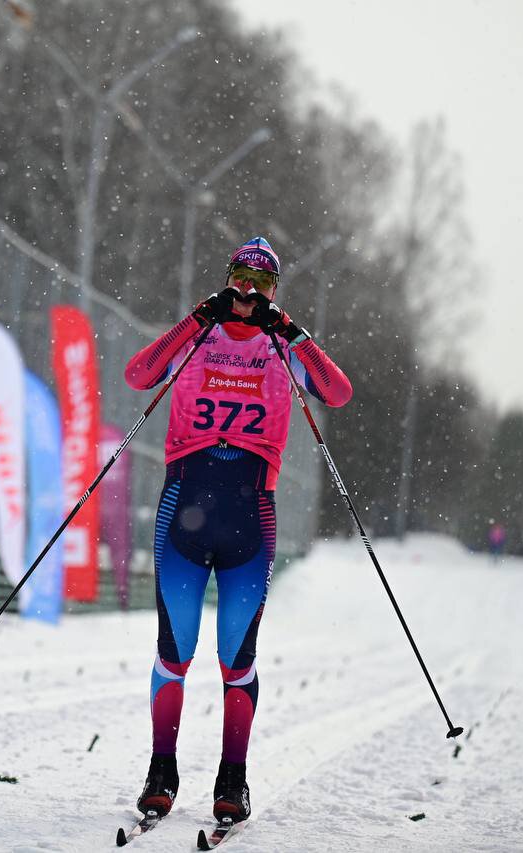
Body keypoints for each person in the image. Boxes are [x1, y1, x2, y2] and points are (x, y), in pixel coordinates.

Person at [123, 237, 352, 824]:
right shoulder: (200, 336)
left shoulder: (282, 346)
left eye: (262, 284)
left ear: (275, 293)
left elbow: (337, 392)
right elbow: (139, 374)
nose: (248, 292)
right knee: (174, 652)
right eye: (239, 278)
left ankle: (233, 779)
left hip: (250, 516)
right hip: (185, 509)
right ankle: (162, 770)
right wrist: (197, 316)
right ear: (227, 280)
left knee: (236, 657)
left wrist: (294, 330)